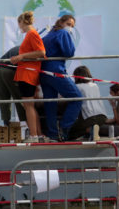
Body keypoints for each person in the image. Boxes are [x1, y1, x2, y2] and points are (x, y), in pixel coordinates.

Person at [40, 14, 82, 142]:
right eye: (69, 24)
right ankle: (64, 129)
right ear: (62, 22)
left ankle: (53, 134)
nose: (70, 28)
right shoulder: (63, 33)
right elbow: (69, 52)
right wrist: (70, 38)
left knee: (50, 103)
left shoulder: (48, 35)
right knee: (77, 98)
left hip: (43, 71)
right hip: (55, 69)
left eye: (72, 26)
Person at [10, 11, 46, 143]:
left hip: (28, 74)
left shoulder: (31, 34)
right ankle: (38, 134)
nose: (19, 27)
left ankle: (33, 135)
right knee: (30, 105)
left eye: (18, 24)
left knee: (28, 105)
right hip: (27, 72)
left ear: (22, 22)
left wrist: (21, 56)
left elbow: (41, 52)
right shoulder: (30, 34)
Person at [68, 66, 107, 141]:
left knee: (70, 132)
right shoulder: (95, 85)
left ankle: (89, 130)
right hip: (102, 117)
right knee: (84, 124)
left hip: (89, 118)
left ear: (77, 76)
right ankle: (91, 131)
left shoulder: (77, 87)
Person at [0, 46, 26, 126]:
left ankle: (6, 125)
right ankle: (26, 125)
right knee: (20, 98)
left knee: (3, 99)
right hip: (9, 70)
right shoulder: (29, 49)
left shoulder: (19, 47)